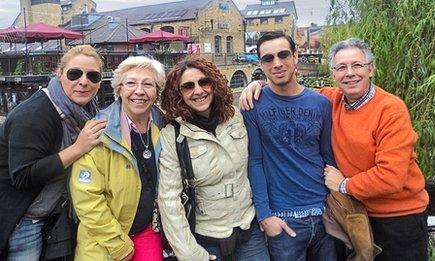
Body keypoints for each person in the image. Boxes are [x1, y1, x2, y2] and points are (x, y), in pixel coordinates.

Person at [240, 37, 429, 261]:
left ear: (371, 69)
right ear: (334, 73)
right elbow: (293, 95)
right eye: (341, 67)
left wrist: (342, 184)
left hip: (398, 218)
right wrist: (258, 84)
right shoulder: (332, 99)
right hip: (354, 213)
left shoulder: (390, 110)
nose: (349, 73)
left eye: (357, 65)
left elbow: (391, 177)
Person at [241, 32, 342, 261]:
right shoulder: (253, 106)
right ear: (261, 64)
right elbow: (255, 161)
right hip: (283, 220)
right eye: (268, 58)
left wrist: (337, 202)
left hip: (325, 215)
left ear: (295, 57)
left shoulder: (321, 103)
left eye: (283, 55)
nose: (277, 63)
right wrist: (265, 215)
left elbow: (328, 155)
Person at [0, 45, 107, 260]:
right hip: (23, 218)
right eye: (74, 73)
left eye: (93, 76)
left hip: (54, 212)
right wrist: (78, 148)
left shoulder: (86, 108)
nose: (84, 81)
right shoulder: (34, 115)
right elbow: (23, 176)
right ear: (60, 75)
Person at [157, 57, 269, 261]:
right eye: (188, 86)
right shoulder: (173, 135)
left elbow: (259, 161)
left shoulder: (235, 117)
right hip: (207, 237)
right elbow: (169, 199)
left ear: (214, 84)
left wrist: (260, 83)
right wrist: (190, 253)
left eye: (204, 82)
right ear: (178, 94)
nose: (198, 91)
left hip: (248, 227)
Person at [69, 56, 165, 261]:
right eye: (131, 83)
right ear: (119, 89)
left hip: (148, 231)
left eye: (148, 84)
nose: (139, 91)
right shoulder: (98, 131)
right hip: (103, 240)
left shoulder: (163, 124)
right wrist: (117, 244)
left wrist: (252, 86)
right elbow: (86, 197)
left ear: (156, 92)